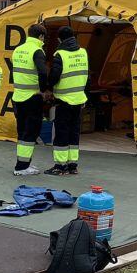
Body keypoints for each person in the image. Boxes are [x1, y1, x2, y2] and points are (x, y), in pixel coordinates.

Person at [46, 26, 90, 175]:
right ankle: (72, 165)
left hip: (63, 100)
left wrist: (47, 87)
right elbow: (86, 76)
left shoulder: (60, 54)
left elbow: (54, 76)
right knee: (74, 132)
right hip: (78, 99)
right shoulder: (83, 53)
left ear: (59, 39)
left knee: (61, 132)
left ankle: (60, 166)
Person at [10, 23, 50, 176]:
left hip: (18, 96)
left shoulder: (18, 49)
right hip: (32, 97)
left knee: (22, 131)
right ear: (41, 36)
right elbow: (42, 72)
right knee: (31, 132)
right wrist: (43, 90)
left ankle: (23, 163)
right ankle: (21, 167)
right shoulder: (37, 50)